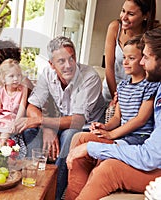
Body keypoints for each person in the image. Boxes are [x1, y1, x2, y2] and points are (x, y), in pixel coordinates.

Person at [66, 27, 161, 200]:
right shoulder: (144, 85)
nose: (140, 62)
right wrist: (104, 129)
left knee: (107, 167)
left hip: (145, 149)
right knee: (80, 139)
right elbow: (118, 116)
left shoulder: (152, 87)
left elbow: (150, 156)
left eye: (145, 57)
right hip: (142, 148)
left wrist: (97, 145)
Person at [15, 36, 106, 199]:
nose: (68, 65)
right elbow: (32, 106)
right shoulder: (47, 74)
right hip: (60, 123)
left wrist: (43, 121)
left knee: (70, 136)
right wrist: (47, 128)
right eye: (61, 61)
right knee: (31, 131)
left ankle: (54, 195)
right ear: (51, 64)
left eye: (71, 58)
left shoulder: (89, 77)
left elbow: (77, 121)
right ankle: (28, 192)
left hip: (85, 128)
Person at [88, 35, 159, 146]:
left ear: (143, 59)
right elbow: (117, 117)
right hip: (123, 135)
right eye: (124, 57)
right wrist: (105, 127)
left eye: (131, 58)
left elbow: (141, 119)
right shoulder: (122, 86)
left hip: (140, 137)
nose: (125, 62)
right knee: (86, 141)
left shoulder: (150, 86)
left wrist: (112, 134)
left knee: (105, 151)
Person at [102, 0, 157, 104]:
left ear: (145, 15)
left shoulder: (152, 33)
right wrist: (116, 98)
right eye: (123, 11)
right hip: (112, 91)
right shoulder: (114, 28)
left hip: (136, 96)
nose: (124, 17)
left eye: (131, 14)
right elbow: (109, 67)